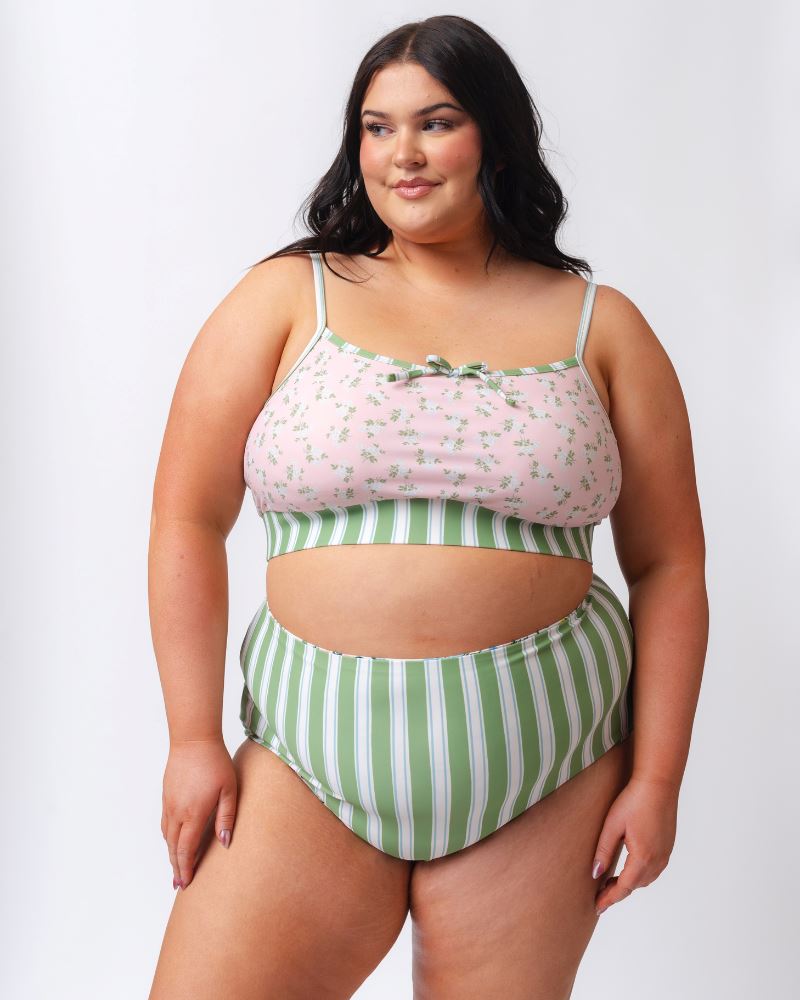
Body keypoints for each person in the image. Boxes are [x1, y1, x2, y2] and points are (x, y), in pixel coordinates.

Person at [147, 14, 708, 999]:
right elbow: (186, 518)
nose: (399, 153)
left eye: (434, 122)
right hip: (304, 757)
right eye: (375, 126)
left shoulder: (600, 325)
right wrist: (192, 736)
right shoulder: (287, 297)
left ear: (493, 134)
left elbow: (669, 566)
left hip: (548, 762)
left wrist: (656, 779)